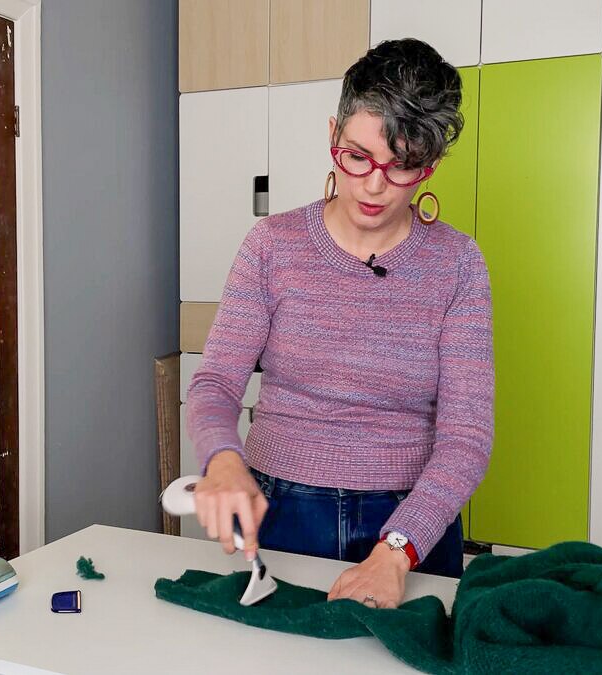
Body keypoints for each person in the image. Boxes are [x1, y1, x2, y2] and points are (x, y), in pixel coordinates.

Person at [185, 38, 494, 610]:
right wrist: (223, 459)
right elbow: (215, 384)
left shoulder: (458, 264)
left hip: (410, 523)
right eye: (358, 156)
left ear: (431, 164)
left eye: (403, 166)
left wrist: (397, 550)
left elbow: (467, 436)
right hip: (281, 509)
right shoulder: (273, 245)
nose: (375, 185)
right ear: (334, 133)